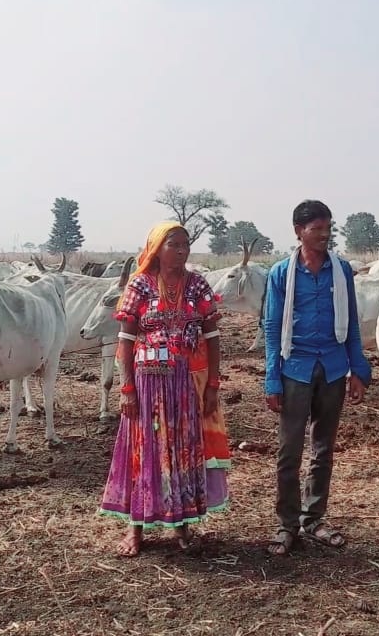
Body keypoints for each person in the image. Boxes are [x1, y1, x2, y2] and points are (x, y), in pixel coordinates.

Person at [98, 221, 231, 557]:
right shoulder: (140, 285)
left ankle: (181, 524)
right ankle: (135, 528)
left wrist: (212, 385)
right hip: (146, 384)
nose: (182, 250)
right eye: (175, 244)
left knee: (184, 451)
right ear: (157, 247)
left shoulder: (197, 285)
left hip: (184, 383)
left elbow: (212, 338)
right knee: (142, 451)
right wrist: (127, 388)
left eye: (186, 244)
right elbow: (126, 339)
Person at [261, 199, 371, 556]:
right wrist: (272, 378)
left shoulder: (341, 270)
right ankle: (286, 524)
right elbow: (273, 327)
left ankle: (314, 518)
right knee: (289, 450)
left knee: (323, 448)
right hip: (295, 368)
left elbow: (351, 322)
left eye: (327, 229)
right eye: (316, 229)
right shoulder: (281, 273)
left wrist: (360, 368)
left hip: (334, 368)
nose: (324, 235)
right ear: (298, 231)